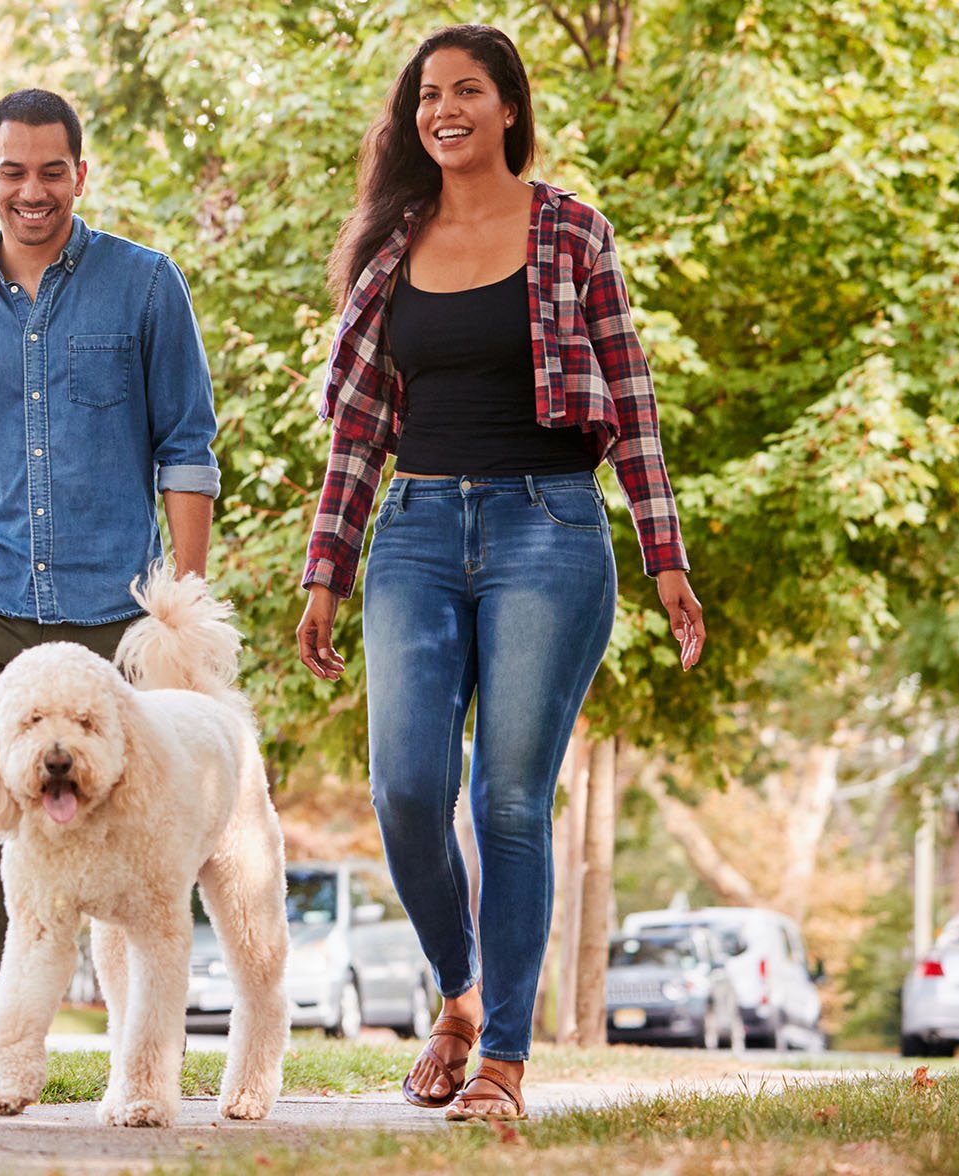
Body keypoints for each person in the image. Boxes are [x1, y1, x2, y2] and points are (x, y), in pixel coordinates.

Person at [292, 25, 707, 1122]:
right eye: (429, 94)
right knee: (406, 789)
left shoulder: (574, 231)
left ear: (510, 108)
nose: (445, 109)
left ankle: (505, 1065)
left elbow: (633, 403)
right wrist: (324, 568)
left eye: (468, 90)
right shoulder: (392, 245)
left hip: (548, 531)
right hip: (416, 530)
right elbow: (359, 431)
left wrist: (666, 557)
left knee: (509, 801)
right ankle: (461, 996)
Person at [0, 87, 220, 1116]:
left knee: (136, 822)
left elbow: (187, 448)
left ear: (80, 174)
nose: (30, 190)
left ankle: (142, 1052)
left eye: (50, 171)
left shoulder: (144, 286)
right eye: (11, 171)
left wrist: (183, 601)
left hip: (108, 606)